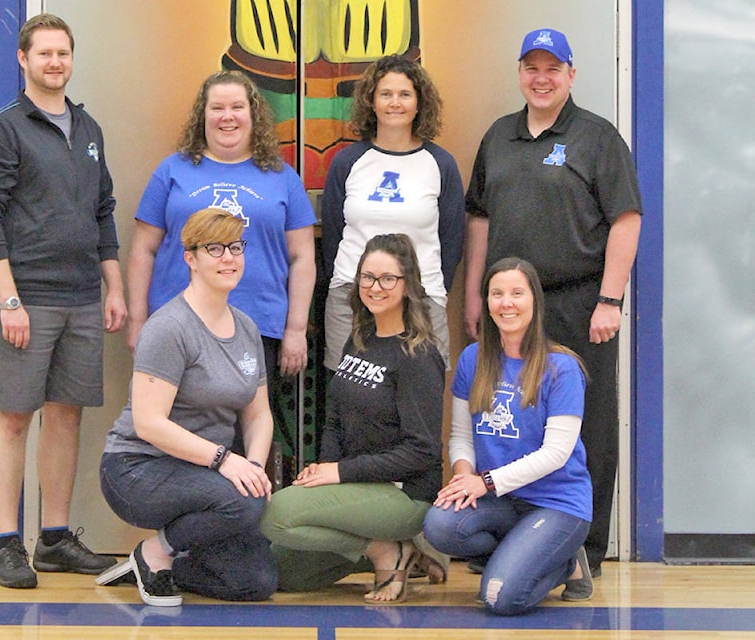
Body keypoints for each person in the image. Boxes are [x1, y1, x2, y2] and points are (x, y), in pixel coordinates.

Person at [463, 28, 642, 576]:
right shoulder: (498, 137)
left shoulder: (597, 137)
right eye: (531, 68)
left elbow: (626, 219)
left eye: (552, 68)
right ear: (520, 73)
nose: (541, 79)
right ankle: (514, 539)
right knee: (508, 418)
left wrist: (610, 298)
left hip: (578, 304)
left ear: (571, 74)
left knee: (586, 426)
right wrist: (474, 292)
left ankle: (582, 551)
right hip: (509, 308)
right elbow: (479, 219)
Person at [0, 13, 127, 589]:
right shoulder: (1, 130)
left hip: (83, 296)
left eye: (63, 53)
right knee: (12, 418)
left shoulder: (87, 128)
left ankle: (54, 539)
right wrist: (9, 300)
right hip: (25, 298)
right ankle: (10, 543)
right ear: (23, 59)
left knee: (65, 416)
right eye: (44, 54)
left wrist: (114, 287)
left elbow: (103, 210)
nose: (55, 62)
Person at [98, 209, 278, 607]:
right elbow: (148, 424)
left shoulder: (247, 328)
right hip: (137, 468)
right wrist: (225, 461)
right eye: (214, 248)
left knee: (256, 581)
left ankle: (161, 563)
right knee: (242, 501)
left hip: (204, 473)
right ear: (190, 258)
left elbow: (258, 413)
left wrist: (253, 467)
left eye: (235, 247)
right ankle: (154, 554)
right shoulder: (170, 328)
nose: (228, 257)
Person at [260, 234, 447, 604]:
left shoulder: (418, 356)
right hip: (356, 487)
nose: (375, 287)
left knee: (276, 515)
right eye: (367, 277)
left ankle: (385, 552)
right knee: (283, 572)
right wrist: (323, 469)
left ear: (407, 285)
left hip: (403, 494)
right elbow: (333, 422)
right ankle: (402, 551)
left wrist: (339, 474)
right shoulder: (358, 340)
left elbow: (422, 451)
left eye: (387, 278)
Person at [422, 257, 593, 615]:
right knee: (440, 525)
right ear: (486, 303)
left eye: (517, 293)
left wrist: (483, 482)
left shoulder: (561, 368)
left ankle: (565, 564)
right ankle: (526, 550)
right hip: (501, 499)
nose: (507, 303)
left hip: (556, 503)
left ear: (535, 301)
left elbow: (556, 454)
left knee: (500, 598)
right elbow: (460, 435)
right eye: (497, 294)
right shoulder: (473, 359)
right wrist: (464, 475)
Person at [125, 70, 316, 386]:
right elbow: (143, 249)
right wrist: (137, 319)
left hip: (258, 325)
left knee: (249, 426)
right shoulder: (172, 171)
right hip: (176, 324)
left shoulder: (283, 177)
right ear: (203, 116)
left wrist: (295, 329)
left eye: (237, 107)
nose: (228, 117)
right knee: (176, 427)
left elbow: (303, 258)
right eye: (217, 108)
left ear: (253, 114)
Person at [321, 54, 465, 371]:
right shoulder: (347, 162)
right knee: (350, 395)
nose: (394, 103)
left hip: (421, 297)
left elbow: (452, 239)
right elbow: (332, 233)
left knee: (420, 395)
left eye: (404, 94)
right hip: (352, 297)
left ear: (419, 103)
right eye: (386, 94)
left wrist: (423, 287)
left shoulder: (441, 164)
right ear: (371, 101)